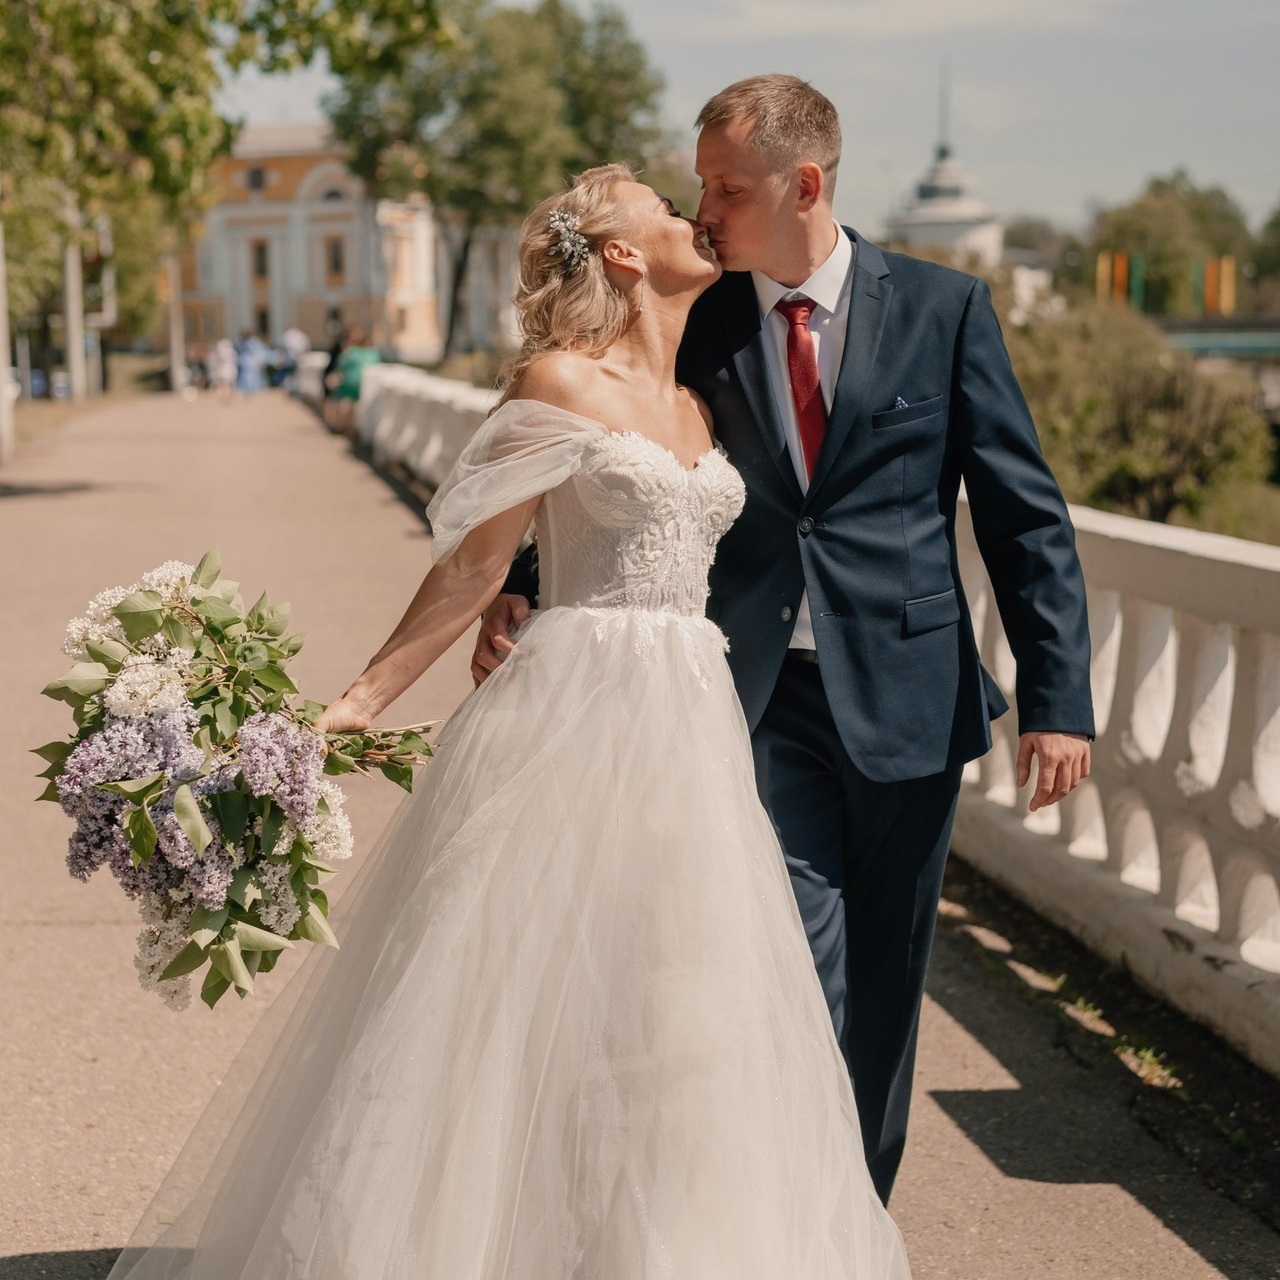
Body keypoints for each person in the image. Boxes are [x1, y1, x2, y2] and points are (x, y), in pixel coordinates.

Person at [103, 164, 910, 1279]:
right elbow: (473, 563)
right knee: (510, 986)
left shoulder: (703, 397)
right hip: (576, 703)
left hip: (691, 709)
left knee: (676, 991)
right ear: (622, 253)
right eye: (666, 208)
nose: (691, 215)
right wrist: (357, 700)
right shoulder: (559, 381)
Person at [475, 75, 1096, 1204]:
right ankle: (773, 1215)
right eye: (697, 184)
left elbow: (1023, 514)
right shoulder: (698, 313)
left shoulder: (942, 308)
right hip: (748, 696)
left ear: (803, 183)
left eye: (725, 185)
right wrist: (520, 577)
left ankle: (853, 1215)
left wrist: (1057, 698)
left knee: (885, 988)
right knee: (785, 968)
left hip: (909, 696)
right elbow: (599, 443)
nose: (701, 209)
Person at [323, 325, 381, 436]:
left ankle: (345, 427)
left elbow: (341, 364)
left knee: (346, 404)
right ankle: (349, 428)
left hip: (350, 380)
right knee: (350, 405)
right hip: (358, 381)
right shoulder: (369, 353)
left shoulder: (350, 351)